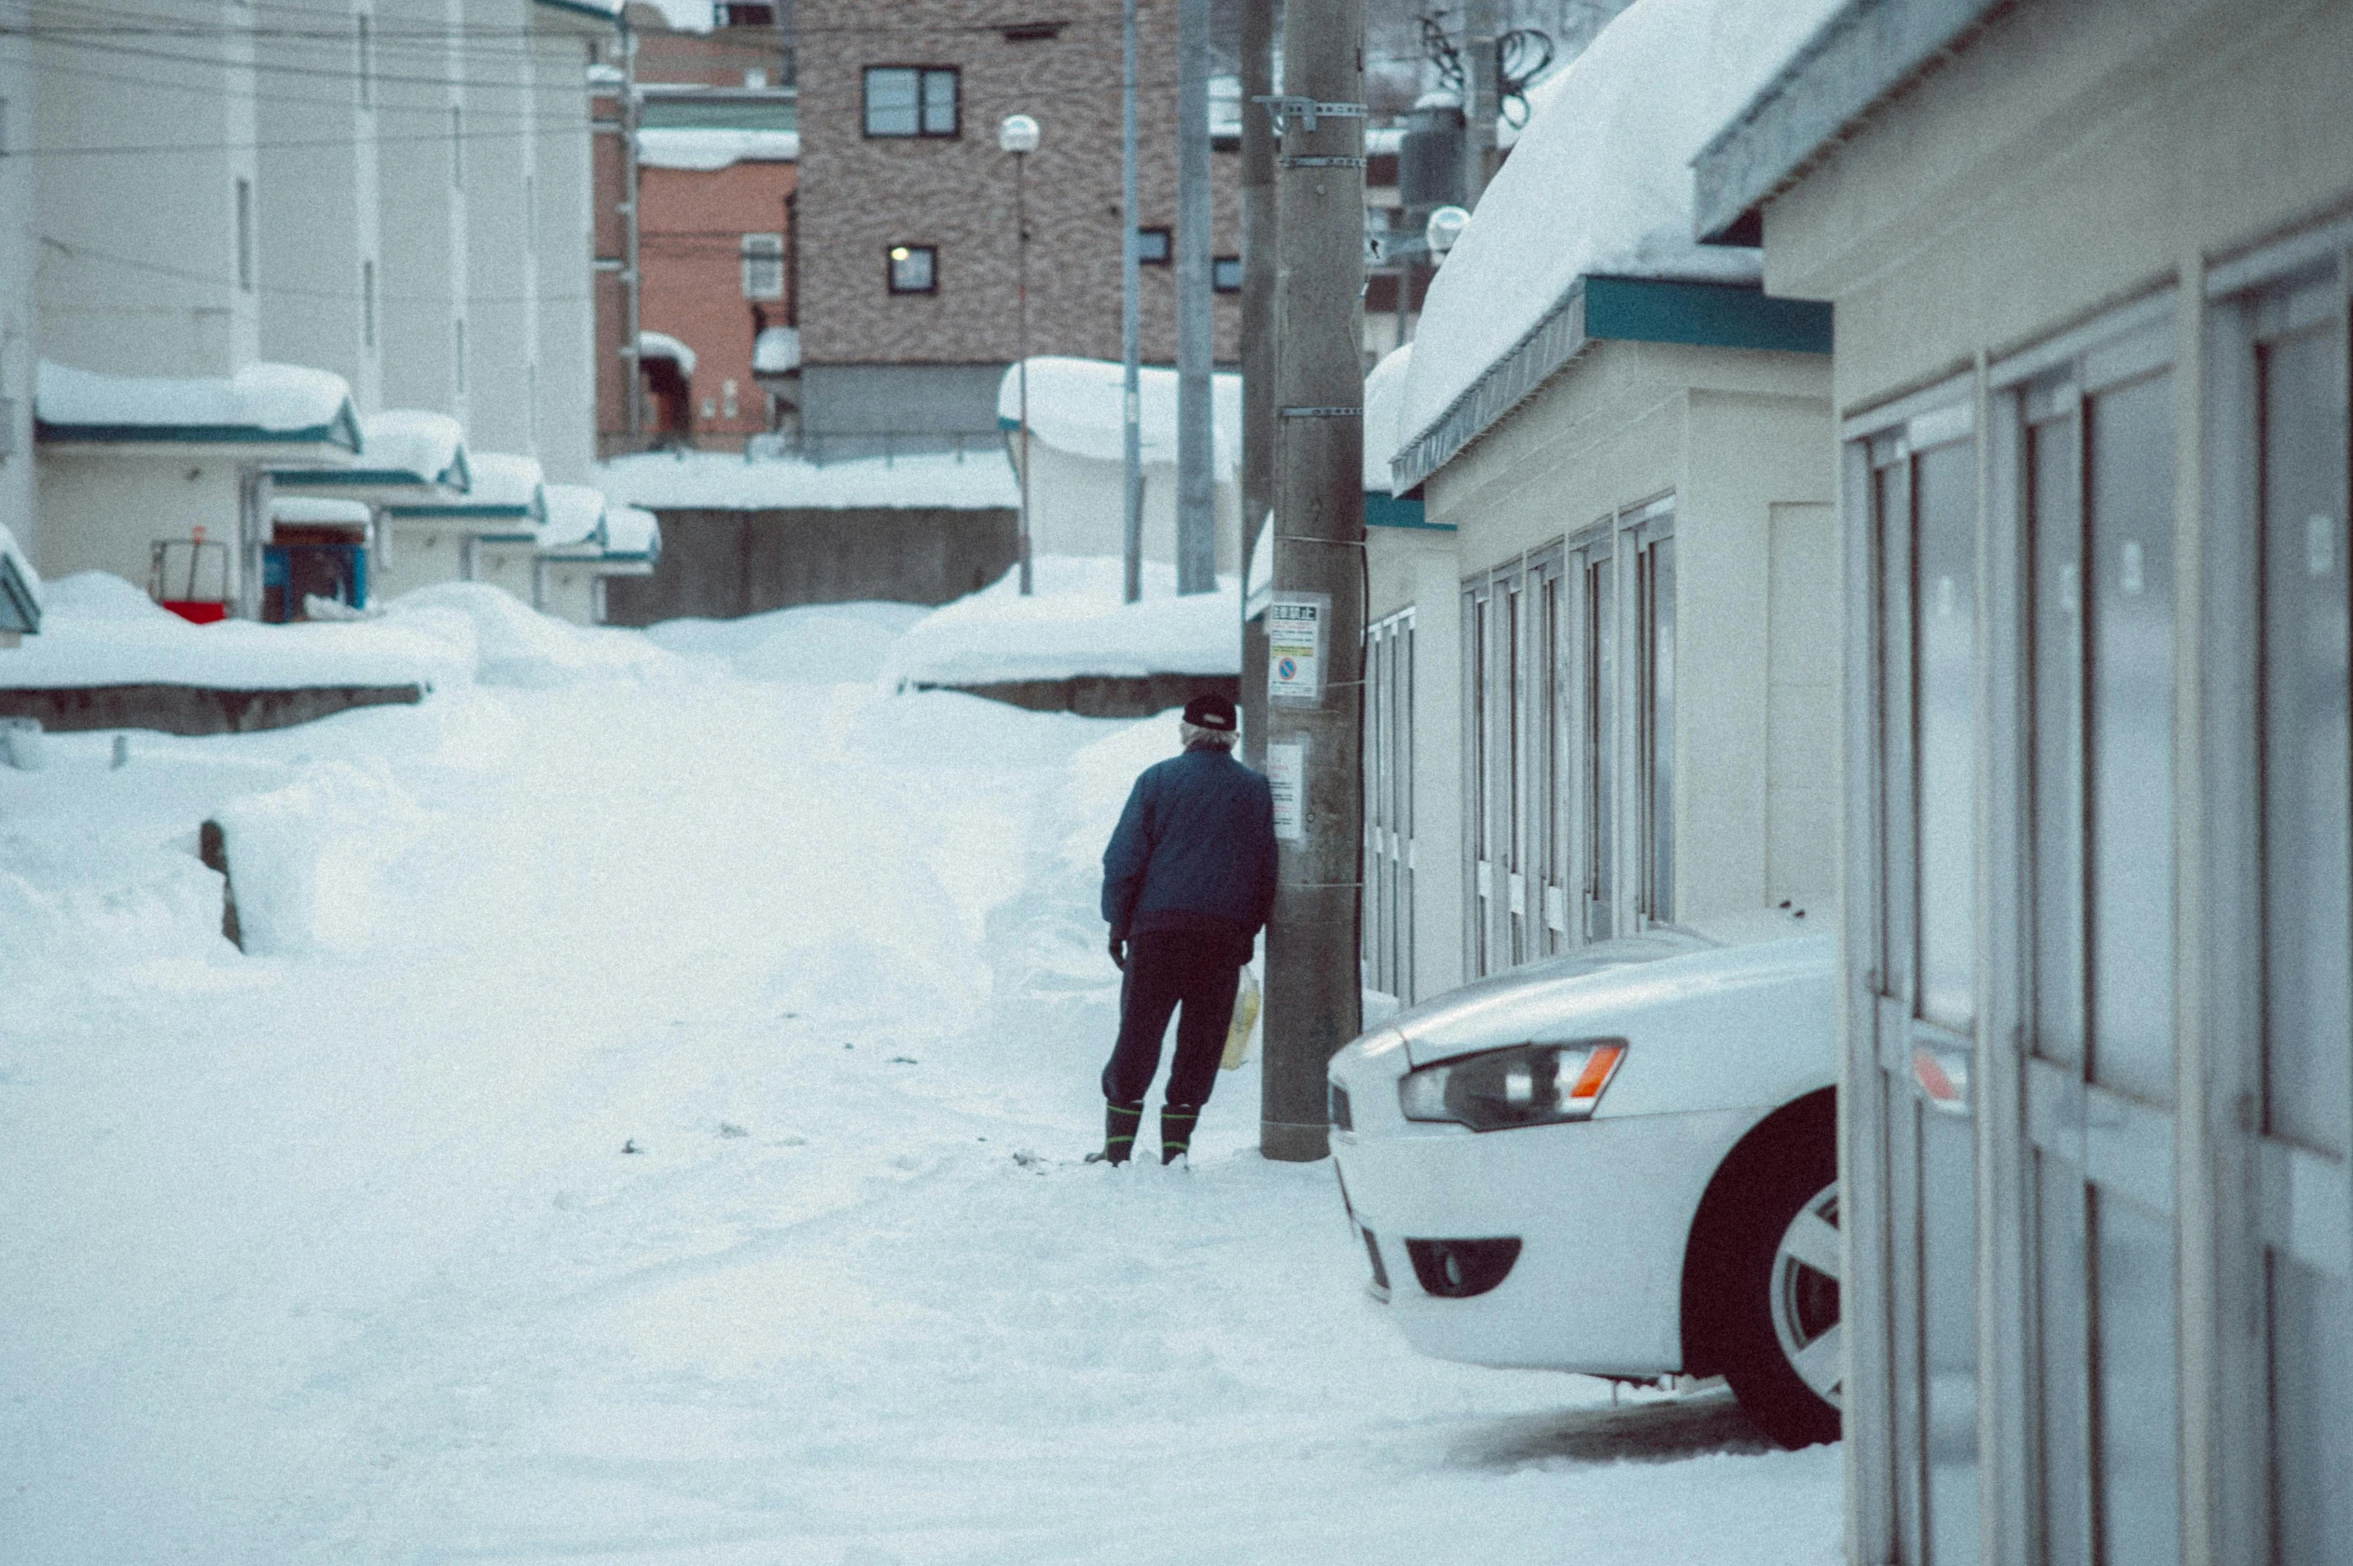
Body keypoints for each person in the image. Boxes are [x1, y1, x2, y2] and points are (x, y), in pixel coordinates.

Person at [1092, 691, 1278, 1167]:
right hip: (1221, 939)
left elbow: (1123, 861)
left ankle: (1118, 1151)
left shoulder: (1157, 780)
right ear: (1231, 737)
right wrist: (1246, 933)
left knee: (1139, 1032)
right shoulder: (1255, 791)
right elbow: (1265, 870)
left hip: (1158, 934)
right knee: (1202, 1040)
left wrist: (1119, 923)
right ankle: (1176, 1152)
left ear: (1185, 730)